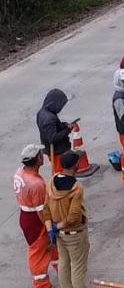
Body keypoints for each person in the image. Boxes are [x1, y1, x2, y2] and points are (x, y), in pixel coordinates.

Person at [13, 144, 58, 288]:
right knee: (38, 251)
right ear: (37, 159)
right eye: (40, 154)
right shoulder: (37, 184)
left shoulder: (20, 172)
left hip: (26, 215)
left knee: (52, 247)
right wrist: (50, 227)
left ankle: (62, 268)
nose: (42, 155)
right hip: (36, 221)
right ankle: (41, 283)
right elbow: (42, 212)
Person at [42, 151, 89, 288]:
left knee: (63, 264)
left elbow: (46, 209)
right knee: (78, 268)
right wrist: (59, 226)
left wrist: (51, 229)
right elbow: (74, 216)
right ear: (76, 165)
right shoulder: (76, 188)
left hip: (60, 236)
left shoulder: (51, 182)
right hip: (74, 234)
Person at [36, 89, 74, 173]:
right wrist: (68, 130)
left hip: (54, 150)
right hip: (58, 152)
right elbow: (53, 138)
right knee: (61, 174)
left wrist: (63, 126)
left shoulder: (41, 112)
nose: (61, 108)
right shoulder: (49, 118)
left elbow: (52, 129)